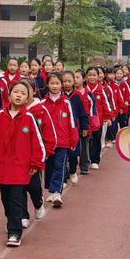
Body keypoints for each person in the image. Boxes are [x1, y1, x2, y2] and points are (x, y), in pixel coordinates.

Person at [0, 80, 46, 247]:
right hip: (2, 167)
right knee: (5, 199)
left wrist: (36, 163)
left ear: (28, 97)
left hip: (21, 168)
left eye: (23, 93)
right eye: (16, 92)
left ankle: (15, 232)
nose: (19, 95)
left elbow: (38, 143)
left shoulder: (29, 117)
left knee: (15, 199)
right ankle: (12, 220)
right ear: (9, 94)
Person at [41, 72, 79, 207]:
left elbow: (72, 122)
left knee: (60, 165)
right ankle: (52, 190)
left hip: (63, 142)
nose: (55, 86)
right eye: (52, 83)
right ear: (47, 84)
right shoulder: (42, 103)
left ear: (61, 84)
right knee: (49, 167)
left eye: (57, 83)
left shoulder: (66, 102)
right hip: (47, 143)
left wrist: (74, 139)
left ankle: (57, 192)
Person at [23, 79, 55, 227]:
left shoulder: (40, 110)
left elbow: (49, 133)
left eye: (26, 90)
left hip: (34, 157)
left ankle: (38, 203)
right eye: (17, 90)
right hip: (16, 158)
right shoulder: (13, 110)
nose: (21, 94)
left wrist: (46, 152)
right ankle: (22, 214)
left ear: (34, 91)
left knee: (34, 186)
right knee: (17, 188)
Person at [62, 70, 89, 185]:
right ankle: (62, 179)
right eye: (64, 81)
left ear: (74, 82)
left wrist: (84, 127)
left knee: (73, 155)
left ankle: (73, 171)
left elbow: (83, 113)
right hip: (61, 130)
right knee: (62, 155)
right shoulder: (59, 95)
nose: (67, 83)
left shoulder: (77, 96)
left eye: (69, 81)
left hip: (74, 130)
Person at [86, 67, 112, 169]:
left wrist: (108, 117)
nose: (92, 77)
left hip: (98, 120)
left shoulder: (101, 89)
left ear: (98, 76)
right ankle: (87, 159)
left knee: (97, 140)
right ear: (86, 76)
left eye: (94, 75)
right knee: (87, 141)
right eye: (90, 75)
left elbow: (106, 104)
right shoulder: (84, 89)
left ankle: (95, 160)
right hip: (86, 120)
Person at [74, 69, 97, 175]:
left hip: (85, 124)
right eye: (73, 77)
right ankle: (71, 167)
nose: (75, 80)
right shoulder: (71, 94)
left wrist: (91, 124)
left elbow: (93, 109)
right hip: (73, 124)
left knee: (85, 144)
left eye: (77, 77)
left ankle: (84, 166)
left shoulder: (88, 94)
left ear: (84, 79)